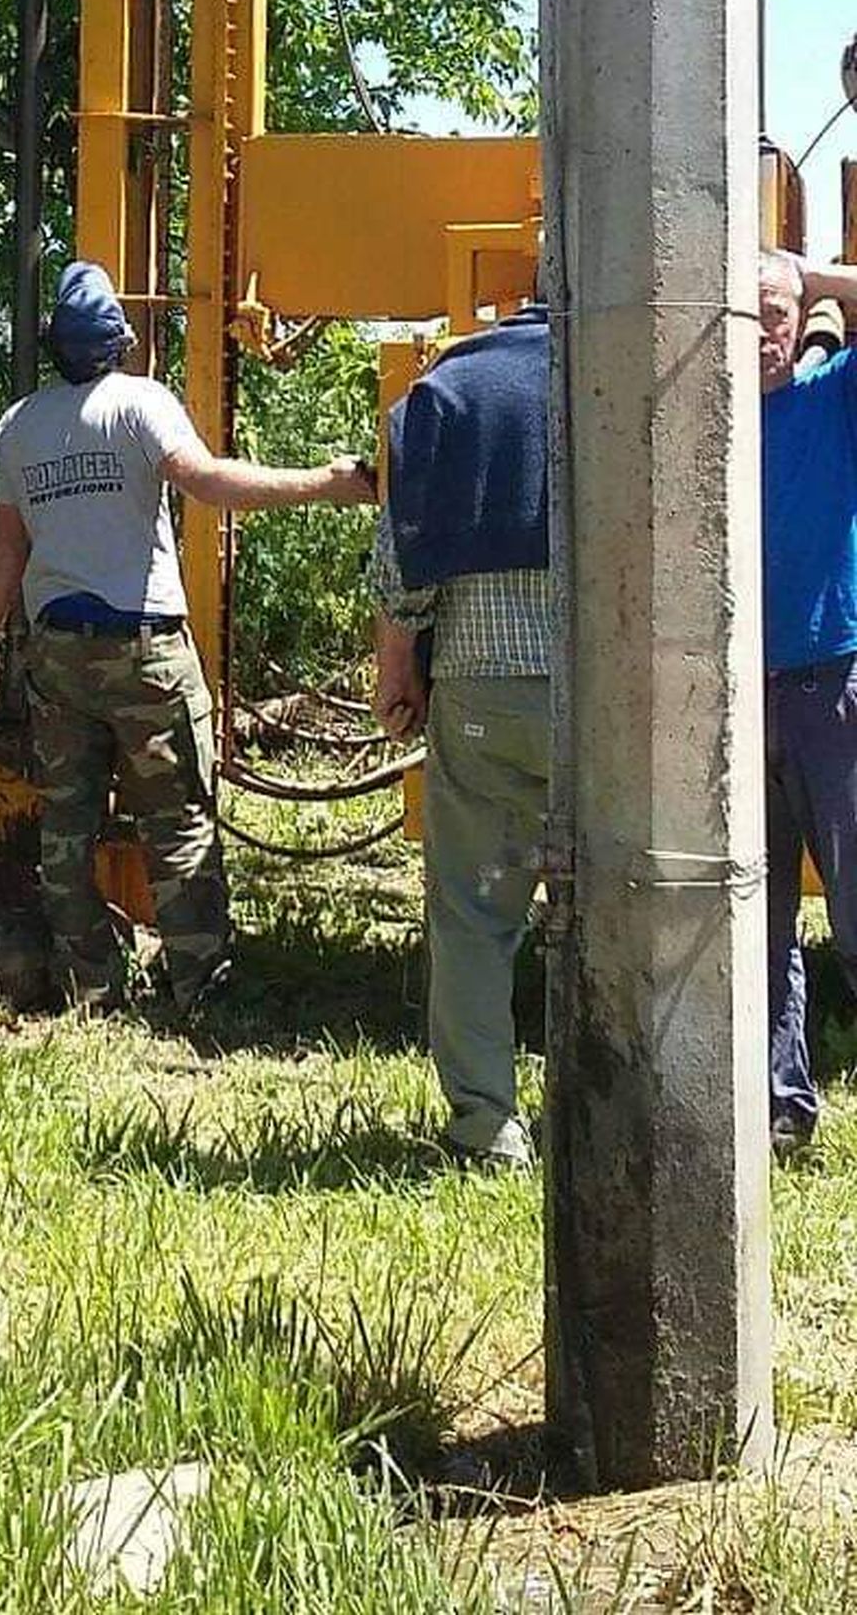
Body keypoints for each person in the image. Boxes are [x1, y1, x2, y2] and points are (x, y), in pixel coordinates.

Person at [0, 261, 374, 1017]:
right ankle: (201, 993)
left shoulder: (18, 425)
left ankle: (92, 989)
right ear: (120, 341)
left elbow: (4, 549)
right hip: (144, 650)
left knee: (66, 831)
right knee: (178, 823)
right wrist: (329, 481)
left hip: (56, 654)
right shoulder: (141, 404)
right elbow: (210, 483)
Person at [372, 298, 550, 1171]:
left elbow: (401, 565)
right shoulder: (629, 370)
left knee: (477, 913)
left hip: (484, 697)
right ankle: (625, 1106)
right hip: (626, 701)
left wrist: (397, 669)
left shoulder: (450, 392)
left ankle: (487, 1124)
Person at [759, 246, 857, 1156]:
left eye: (777, 314)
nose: (763, 333)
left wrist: (808, 275)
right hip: (736, 703)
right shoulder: (704, 421)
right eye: (746, 315)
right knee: (761, 917)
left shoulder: (830, 400)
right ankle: (785, 1106)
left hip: (831, 689)